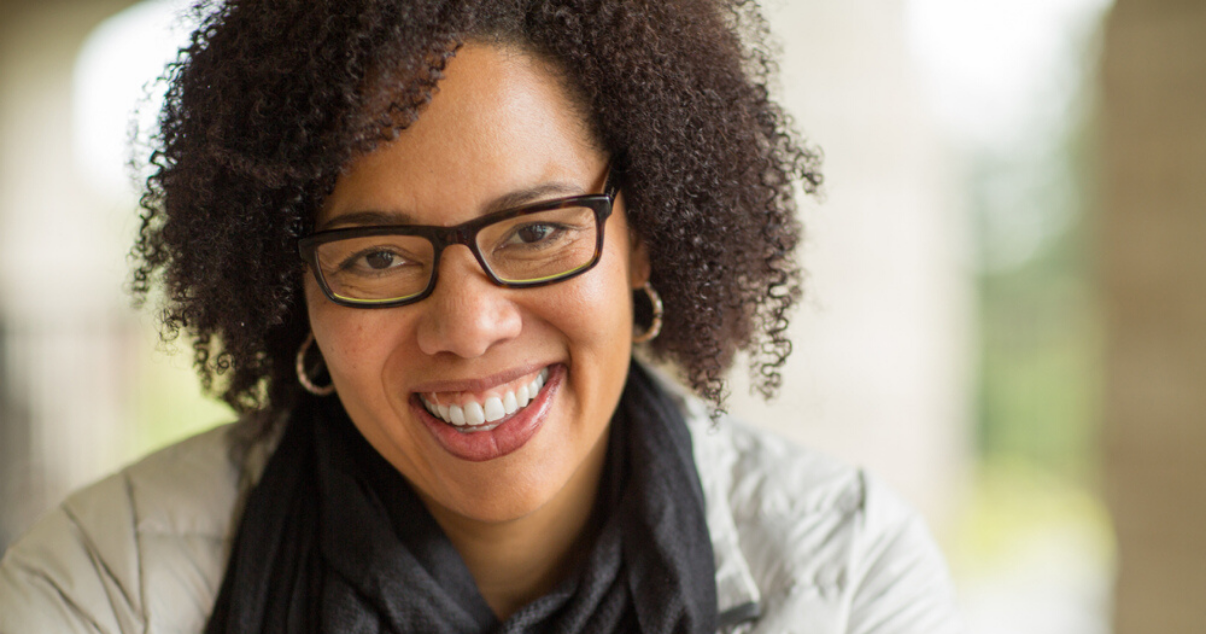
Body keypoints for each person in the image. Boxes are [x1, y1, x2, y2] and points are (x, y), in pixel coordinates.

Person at [0, 0, 962, 632]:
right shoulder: (103, 583)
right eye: (377, 256)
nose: (466, 324)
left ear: (646, 239)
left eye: (538, 231)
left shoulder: (850, 575)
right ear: (296, 290)